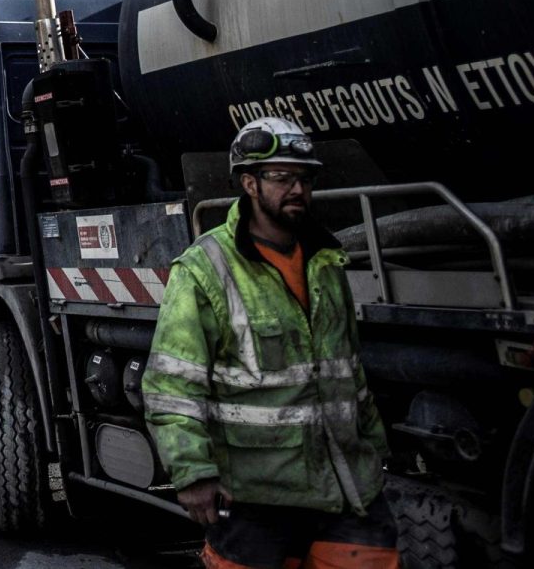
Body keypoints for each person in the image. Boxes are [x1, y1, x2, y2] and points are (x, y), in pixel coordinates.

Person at [143, 117, 397, 569]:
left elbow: (347, 373)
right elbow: (173, 386)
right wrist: (193, 473)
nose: (297, 189)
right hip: (255, 497)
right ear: (250, 184)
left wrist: (375, 452)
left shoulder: (326, 261)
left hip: (344, 486)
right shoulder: (205, 268)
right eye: (281, 178)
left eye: (304, 179)